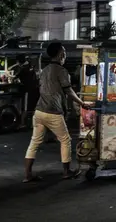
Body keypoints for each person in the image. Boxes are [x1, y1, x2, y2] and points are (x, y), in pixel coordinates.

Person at [23, 42, 91, 183]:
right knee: (65, 140)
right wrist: (82, 103)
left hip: (39, 111)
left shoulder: (45, 70)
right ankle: (66, 172)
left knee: (34, 142)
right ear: (60, 54)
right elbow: (69, 91)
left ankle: (28, 175)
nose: (65, 55)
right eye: (64, 52)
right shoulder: (61, 71)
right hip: (53, 111)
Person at [12, 54, 39, 127]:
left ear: (18, 61)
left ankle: (22, 123)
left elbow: (14, 78)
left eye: (17, 61)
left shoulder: (23, 68)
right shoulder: (30, 66)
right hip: (35, 90)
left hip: (27, 90)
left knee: (25, 108)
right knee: (33, 108)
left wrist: (12, 77)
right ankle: (33, 124)